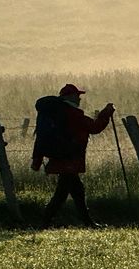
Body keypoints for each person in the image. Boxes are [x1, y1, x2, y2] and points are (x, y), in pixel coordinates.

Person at [31, 83, 115, 228]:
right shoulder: (73, 114)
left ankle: (87, 222)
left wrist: (37, 161)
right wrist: (106, 113)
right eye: (77, 95)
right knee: (62, 194)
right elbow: (94, 127)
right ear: (69, 96)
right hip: (70, 158)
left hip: (61, 157)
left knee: (76, 191)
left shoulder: (56, 113)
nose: (79, 98)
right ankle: (44, 223)